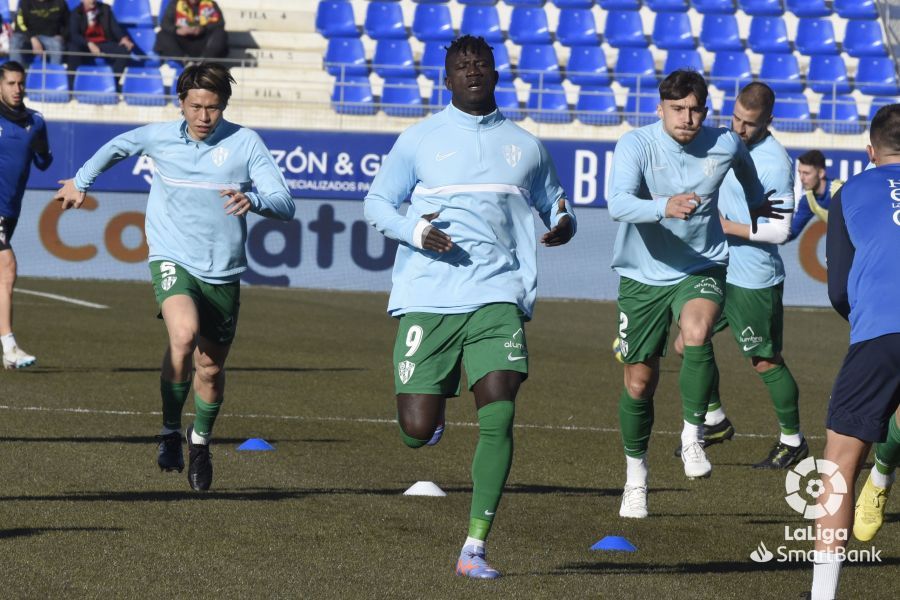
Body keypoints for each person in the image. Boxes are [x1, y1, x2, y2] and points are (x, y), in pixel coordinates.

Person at [364, 35, 575, 579]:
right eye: (461, 65)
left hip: (497, 296)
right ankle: (427, 419)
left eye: (480, 63)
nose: (472, 70)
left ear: (496, 73)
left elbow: (553, 197)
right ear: (446, 77)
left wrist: (563, 220)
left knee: (500, 411)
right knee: (414, 430)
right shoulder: (418, 140)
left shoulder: (524, 144)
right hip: (429, 298)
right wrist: (415, 230)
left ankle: (474, 547)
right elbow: (377, 203)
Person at [53, 63, 295, 491]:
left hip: (222, 270)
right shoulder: (159, 135)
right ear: (181, 103)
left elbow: (283, 202)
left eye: (214, 108)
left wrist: (252, 198)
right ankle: (168, 429)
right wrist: (82, 181)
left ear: (225, 106)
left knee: (211, 368)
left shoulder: (245, 143)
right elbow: (117, 146)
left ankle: (198, 441)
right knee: (182, 336)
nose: (204, 116)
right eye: (196, 106)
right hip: (171, 257)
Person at [608, 69, 786, 519]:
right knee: (639, 383)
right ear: (660, 108)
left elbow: (744, 168)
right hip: (643, 275)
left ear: (705, 110)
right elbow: (617, 204)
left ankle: (693, 436)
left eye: (695, 109)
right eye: (678, 109)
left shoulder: (724, 143)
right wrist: (661, 207)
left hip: (702, 265)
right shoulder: (636, 144)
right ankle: (635, 480)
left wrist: (757, 201)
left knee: (697, 331)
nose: (687, 118)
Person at [671, 83, 807, 468]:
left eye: (750, 123)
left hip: (753, 279)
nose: (740, 129)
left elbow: (781, 231)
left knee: (764, 360)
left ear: (769, 122)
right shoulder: (726, 142)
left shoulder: (775, 162)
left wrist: (728, 226)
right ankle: (714, 419)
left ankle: (792, 439)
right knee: (686, 343)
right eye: (735, 119)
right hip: (718, 268)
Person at [807, 104, 900, 600]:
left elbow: (838, 288)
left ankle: (824, 595)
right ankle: (886, 470)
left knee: (839, 464)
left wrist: (869, 322)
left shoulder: (851, 192)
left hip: (879, 333)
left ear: (870, 150)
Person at [0, 61, 53, 370]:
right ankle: (9, 347)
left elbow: (44, 160)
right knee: (7, 269)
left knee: (3, 276)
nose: (17, 89)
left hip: (10, 210)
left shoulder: (36, 121)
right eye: (10, 83)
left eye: (21, 83)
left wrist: (45, 154)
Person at [68, 0, 134, 83]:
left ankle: (111, 83)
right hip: (85, 44)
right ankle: (72, 87)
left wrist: (123, 38)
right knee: (73, 51)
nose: (92, 1)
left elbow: (115, 28)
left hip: (103, 43)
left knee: (124, 51)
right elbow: (74, 35)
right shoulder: (76, 13)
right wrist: (88, 43)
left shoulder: (105, 9)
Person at [787, 149, 842, 241]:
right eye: (799, 172)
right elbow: (792, 232)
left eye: (806, 173)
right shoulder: (807, 200)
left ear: (821, 173)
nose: (801, 178)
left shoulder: (840, 192)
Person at [154, 0, 227, 64]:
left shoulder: (211, 4)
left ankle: (204, 62)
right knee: (162, 34)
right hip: (182, 43)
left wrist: (203, 29)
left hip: (203, 43)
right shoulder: (175, 3)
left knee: (220, 33)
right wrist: (177, 30)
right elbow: (165, 23)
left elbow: (220, 23)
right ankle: (185, 61)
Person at [9, 0, 68, 66]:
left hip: (50, 36)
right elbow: (19, 24)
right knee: (15, 41)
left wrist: (63, 35)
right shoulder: (24, 2)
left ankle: (54, 74)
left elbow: (68, 22)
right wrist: (32, 38)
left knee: (57, 45)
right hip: (27, 35)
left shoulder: (60, 2)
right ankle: (15, 73)